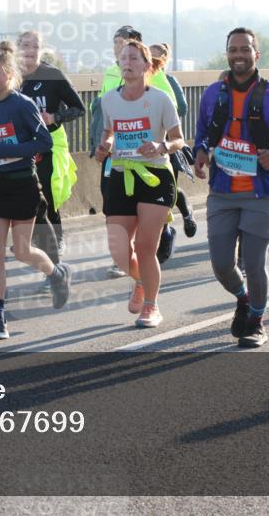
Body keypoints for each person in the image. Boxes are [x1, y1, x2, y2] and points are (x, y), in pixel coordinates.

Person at [194, 28, 269, 347]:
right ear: (227, 54)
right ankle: (244, 299)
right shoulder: (213, 94)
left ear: (256, 55)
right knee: (222, 264)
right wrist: (201, 152)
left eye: (244, 49)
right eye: (232, 49)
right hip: (222, 191)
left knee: (254, 261)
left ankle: (257, 321)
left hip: (262, 193)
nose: (238, 55)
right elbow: (203, 133)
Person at [0, 41, 73, 340]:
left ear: (9, 73)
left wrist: (7, 148)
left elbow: (43, 143)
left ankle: (56, 274)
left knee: (23, 251)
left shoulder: (23, 105)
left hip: (25, 183)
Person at [95, 40, 185, 328]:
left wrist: (161, 145)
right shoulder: (109, 100)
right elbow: (109, 131)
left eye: (134, 58)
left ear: (147, 66)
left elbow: (179, 140)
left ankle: (151, 306)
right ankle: (140, 281)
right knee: (119, 251)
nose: (127, 62)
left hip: (155, 176)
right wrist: (105, 145)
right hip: (121, 175)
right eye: (123, 58)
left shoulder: (160, 99)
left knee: (146, 247)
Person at [17, 31, 85, 264]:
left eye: (35, 46)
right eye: (25, 45)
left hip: (51, 142)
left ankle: (55, 238)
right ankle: (33, 239)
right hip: (23, 145)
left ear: (41, 50)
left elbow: (79, 108)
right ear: (17, 49)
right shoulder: (12, 78)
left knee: (47, 191)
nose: (30, 50)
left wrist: (55, 116)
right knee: (26, 194)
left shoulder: (53, 75)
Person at [89, 25, 142, 278]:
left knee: (140, 209)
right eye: (115, 44)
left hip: (144, 157)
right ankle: (123, 256)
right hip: (113, 154)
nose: (118, 49)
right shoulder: (110, 73)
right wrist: (100, 142)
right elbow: (104, 115)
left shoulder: (153, 75)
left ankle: (147, 246)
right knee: (111, 202)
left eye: (123, 43)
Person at [148, 43, 194, 266]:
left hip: (168, 143)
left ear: (164, 61)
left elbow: (182, 108)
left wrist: (165, 114)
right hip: (142, 150)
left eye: (157, 58)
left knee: (170, 191)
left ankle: (181, 218)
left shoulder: (169, 81)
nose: (153, 62)